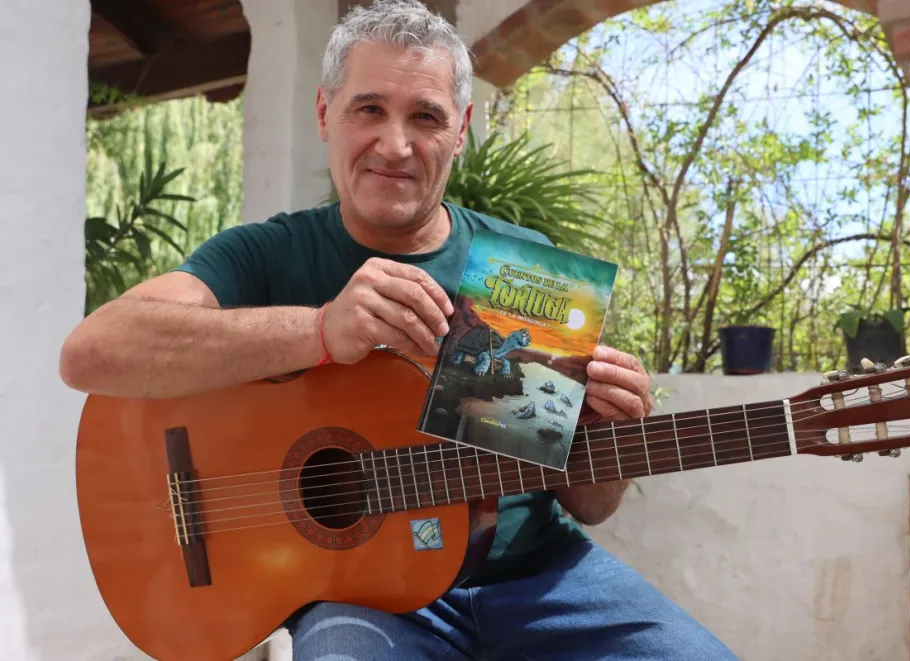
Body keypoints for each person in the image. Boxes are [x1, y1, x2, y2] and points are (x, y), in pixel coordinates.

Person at [59, 1, 739, 658]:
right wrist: (321, 329)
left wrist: (607, 433)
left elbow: (590, 504)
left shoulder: (521, 269)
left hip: (543, 579)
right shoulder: (266, 255)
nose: (396, 144)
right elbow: (90, 353)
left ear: (461, 128)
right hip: (365, 597)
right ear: (326, 114)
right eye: (369, 109)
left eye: (425, 116)